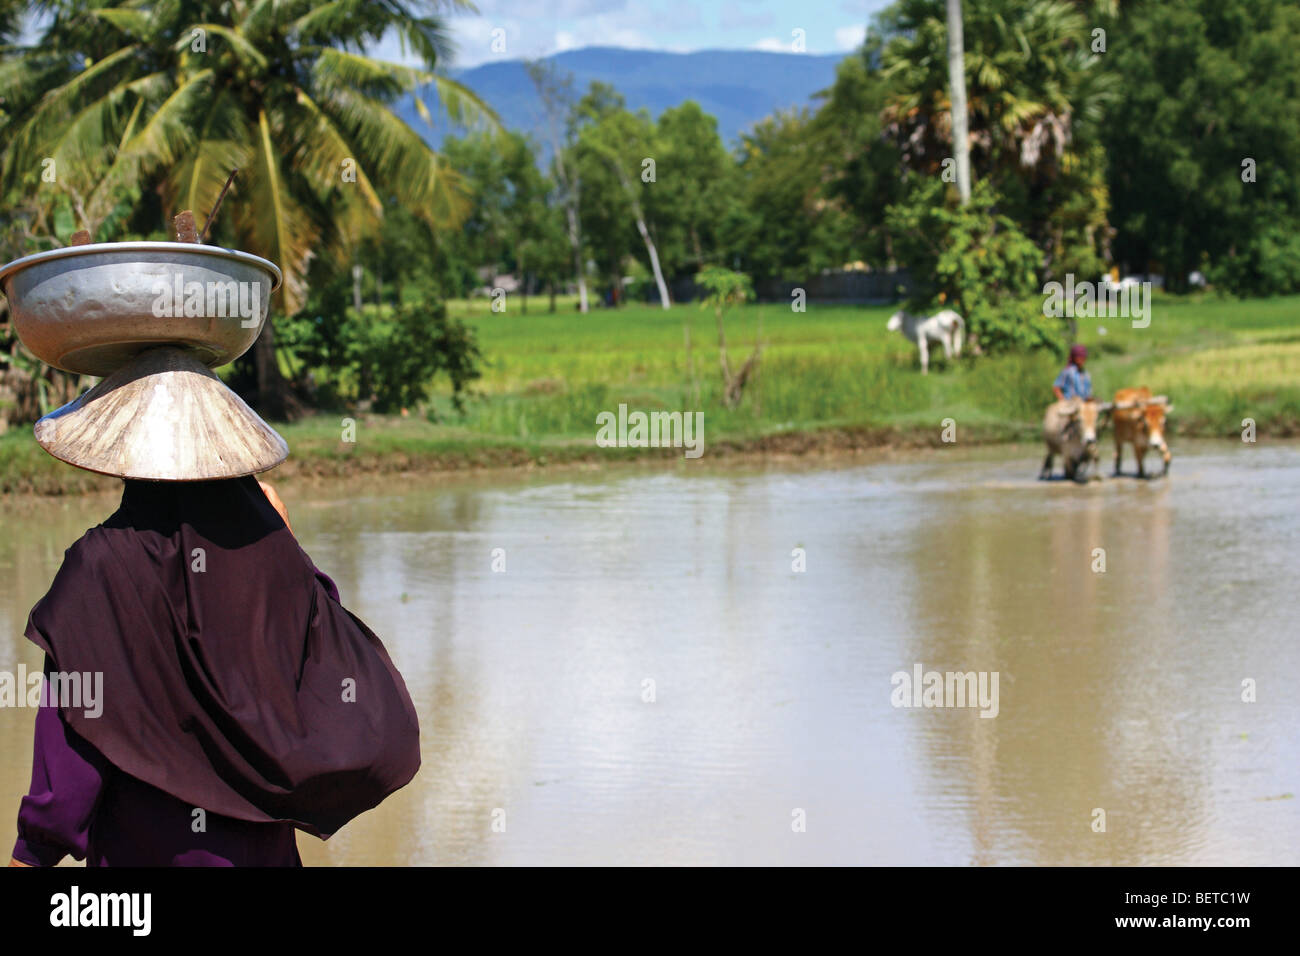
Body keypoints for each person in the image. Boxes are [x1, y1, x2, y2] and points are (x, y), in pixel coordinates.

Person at [8, 345, 420, 867]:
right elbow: (333, 679)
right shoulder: (272, 556)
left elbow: (66, 783)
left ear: (127, 455)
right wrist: (286, 544)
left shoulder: (101, 570)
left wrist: (31, 854)